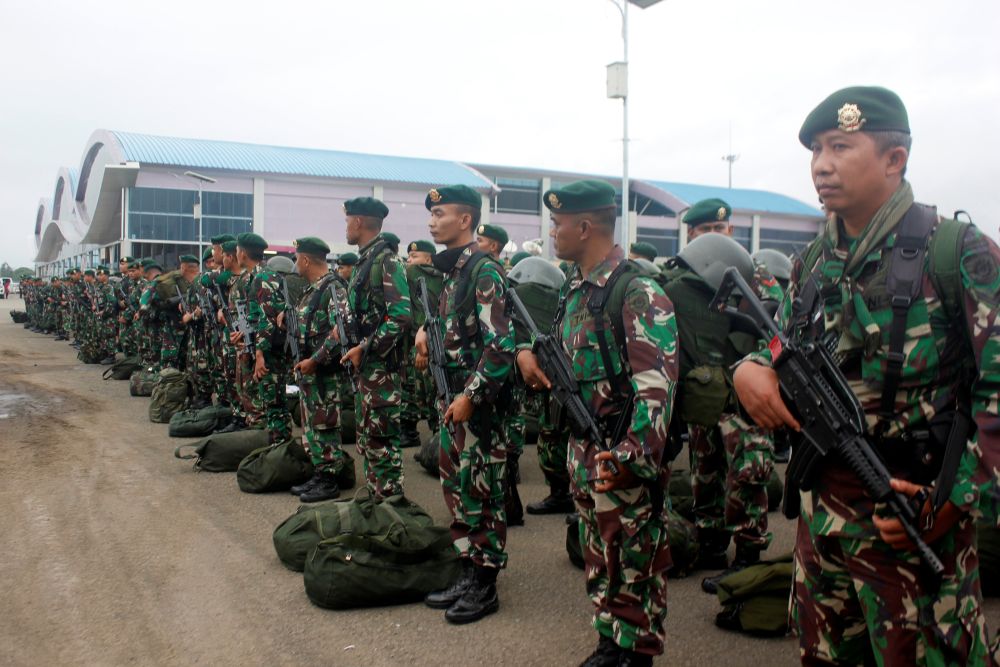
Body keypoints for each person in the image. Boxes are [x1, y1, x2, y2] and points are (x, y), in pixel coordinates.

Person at [733, 85, 1000, 665]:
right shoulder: (811, 262)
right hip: (821, 531)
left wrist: (954, 501)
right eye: (814, 152)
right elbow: (780, 346)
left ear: (894, 159)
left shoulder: (956, 253)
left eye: (839, 146)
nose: (821, 166)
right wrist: (749, 369)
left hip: (912, 526)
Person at [517, 179, 678, 666]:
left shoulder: (636, 291)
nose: (550, 233)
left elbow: (657, 387)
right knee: (599, 555)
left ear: (585, 227)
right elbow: (560, 349)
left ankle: (636, 650)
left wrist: (632, 459)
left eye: (557, 223)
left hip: (621, 453)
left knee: (633, 559)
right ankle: (611, 638)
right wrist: (529, 352)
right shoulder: (576, 289)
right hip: (584, 449)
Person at [416, 184, 514, 624]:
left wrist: (471, 397)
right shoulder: (454, 272)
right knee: (456, 489)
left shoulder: (483, 270)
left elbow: (501, 346)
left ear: (466, 220)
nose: (433, 220)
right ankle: (466, 567)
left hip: (478, 407)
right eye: (431, 214)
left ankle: (485, 581)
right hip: (452, 400)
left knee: (482, 491)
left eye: (441, 213)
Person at [342, 197, 411, 498]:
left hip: (380, 369)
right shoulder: (365, 261)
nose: (346, 226)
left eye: (347, 220)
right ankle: (376, 502)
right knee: (369, 439)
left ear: (358, 221)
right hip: (367, 370)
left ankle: (389, 508)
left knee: (382, 444)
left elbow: (401, 316)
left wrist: (366, 348)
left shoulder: (386, 261)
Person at [287, 236, 355, 502]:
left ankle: (329, 479)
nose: (296, 263)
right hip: (310, 370)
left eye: (296, 258)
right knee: (313, 424)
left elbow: (342, 330)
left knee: (325, 424)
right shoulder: (313, 289)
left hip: (324, 370)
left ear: (305, 259)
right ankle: (320, 471)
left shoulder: (333, 288)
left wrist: (316, 359)